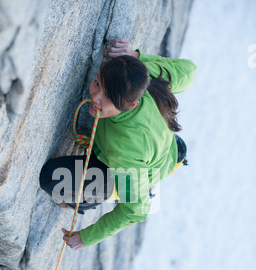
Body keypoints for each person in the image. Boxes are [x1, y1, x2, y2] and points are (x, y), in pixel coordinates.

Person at [40, 38, 196, 251]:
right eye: (97, 83)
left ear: (132, 104)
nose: (95, 97)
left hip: (136, 166)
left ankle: (108, 191)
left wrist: (86, 237)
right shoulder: (139, 77)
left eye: (108, 98)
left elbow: (136, 209)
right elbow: (190, 71)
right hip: (163, 149)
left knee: (53, 178)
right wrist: (136, 57)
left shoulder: (126, 149)